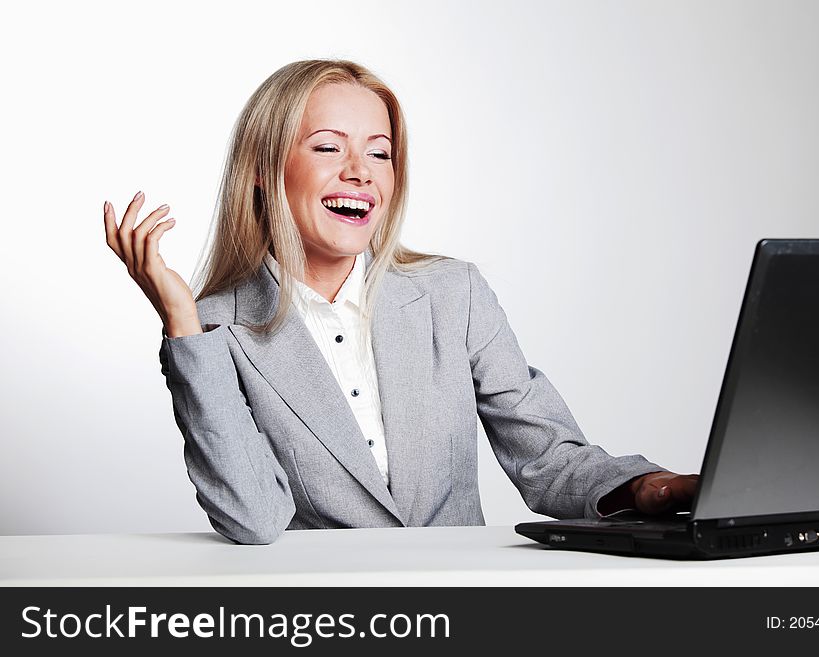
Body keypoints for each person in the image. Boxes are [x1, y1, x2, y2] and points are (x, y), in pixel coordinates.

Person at [103, 60, 698, 545]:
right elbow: (252, 518)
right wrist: (182, 322)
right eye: (328, 148)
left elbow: (547, 459)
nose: (361, 172)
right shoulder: (213, 332)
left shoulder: (454, 294)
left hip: (464, 614)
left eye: (380, 153)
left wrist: (645, 489)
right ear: (264, 170)